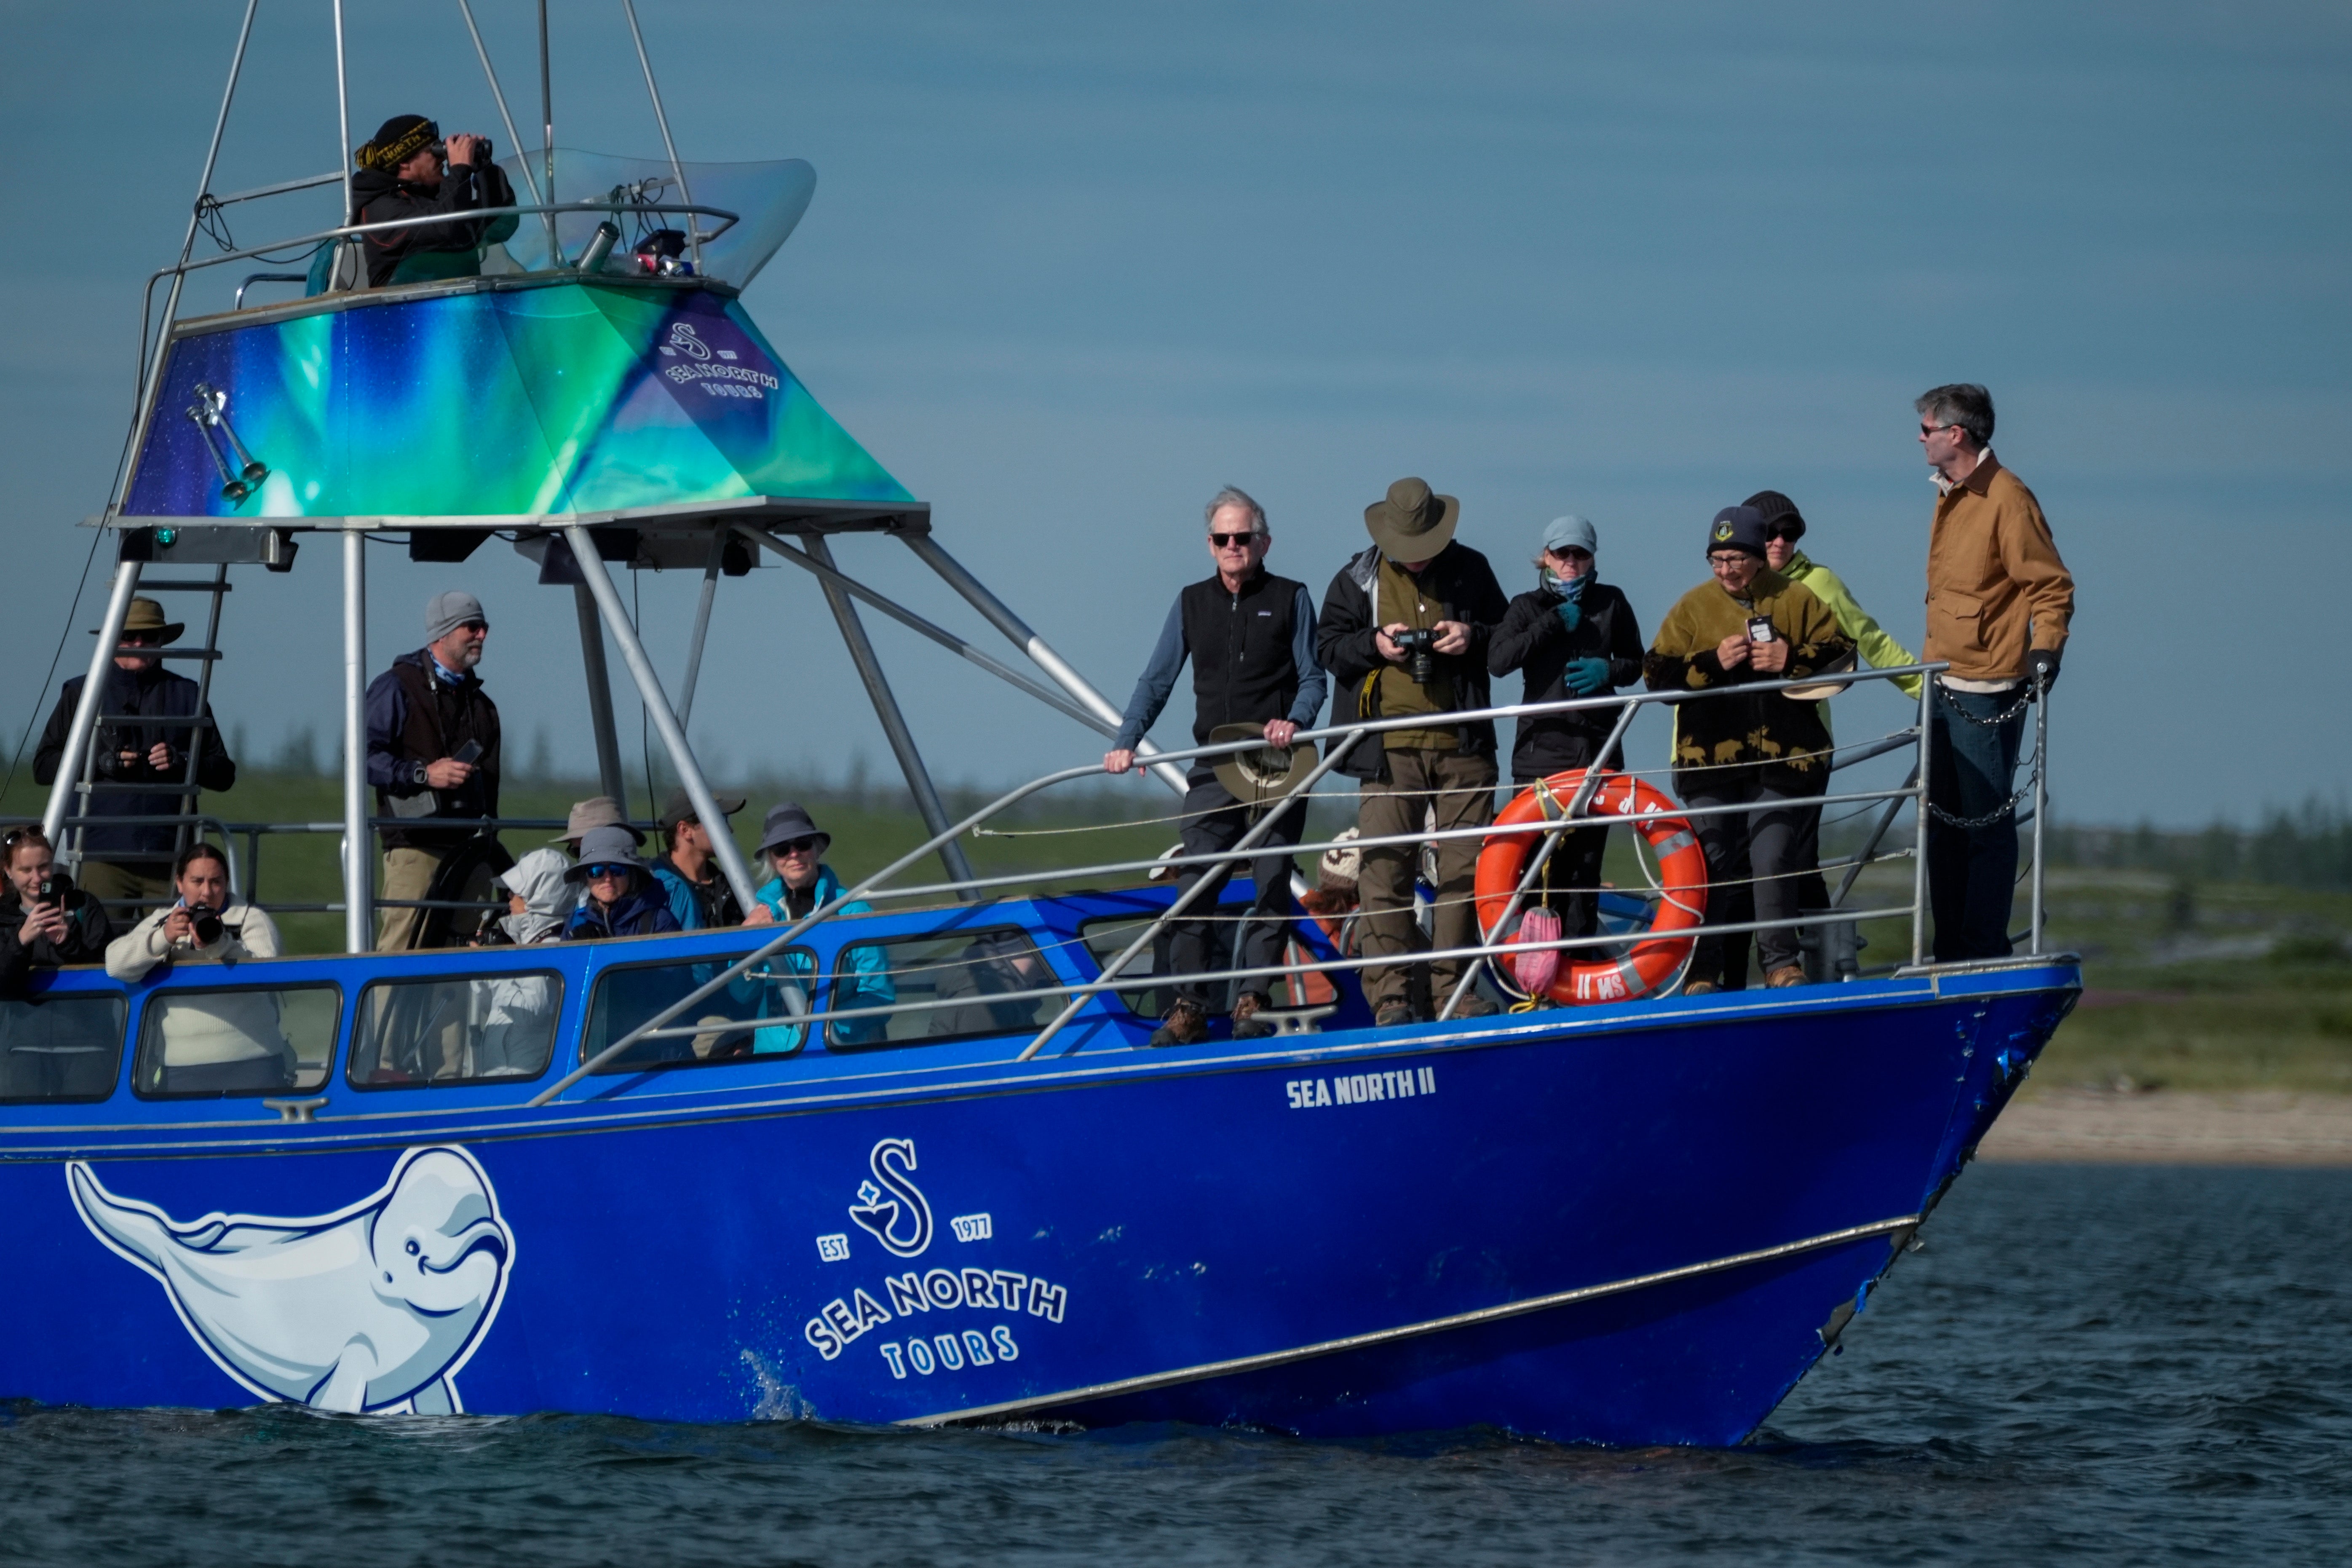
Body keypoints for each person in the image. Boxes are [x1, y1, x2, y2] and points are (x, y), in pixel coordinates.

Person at [1104, 486, 1330, 1046]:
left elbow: (1313, 677)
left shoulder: (1291, 596)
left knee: (1272, 879)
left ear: (1263, 542)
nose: (1234, 546)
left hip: (1276, 762)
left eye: (1243, 537)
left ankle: (1252, 1000)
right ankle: (1188, 1006)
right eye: (1223, 538)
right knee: (1196, 879)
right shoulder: (1190, 602)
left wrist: (1295, 720)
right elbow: (1157, 679)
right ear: (1209, 545)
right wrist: (1126, 739)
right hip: (1212, 762)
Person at [1316, 476, 1511, 1027]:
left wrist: (1470, 635)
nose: (1416, 558)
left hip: (1463, 743)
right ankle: (1391, 1000)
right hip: (1385, 747)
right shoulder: (1357, 574)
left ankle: (1457, 995)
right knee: (1382, 873)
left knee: (1465, 870)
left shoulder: (1472, 568)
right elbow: (1327, 645)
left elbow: (1505, 639)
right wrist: (1373, 644)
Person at [1644, 507, 1853, 993]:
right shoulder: (1692, 606)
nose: (1725, 570)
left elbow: (1845, 654)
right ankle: (1702, 971)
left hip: (1784, 760)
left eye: (1736, 558)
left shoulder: (1798, 599)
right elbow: (1655, 672)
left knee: (1774, 857)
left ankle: (1782, 965)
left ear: (1759, 557)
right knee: (1710, 859)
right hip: (1709, 763)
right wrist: (1709, 664)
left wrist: (1791, 658)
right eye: (1716, 560)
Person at [1916, 384, 2076, 962]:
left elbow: (2050, 583)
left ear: (1954, 434)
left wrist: (2045, 648)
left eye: (1926, 428)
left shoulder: (2006, 496)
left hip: (1985, 687)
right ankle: (1949, 949)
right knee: (1939, 824)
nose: (1919, 438)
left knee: (1984, 823)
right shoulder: (1950, 493)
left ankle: (1982, 948)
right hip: (1940, 678)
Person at [1745, 489, 1922, 979]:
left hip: (1804, 746)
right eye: (1769, 531)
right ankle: (1731, 985)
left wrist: (1929, 692)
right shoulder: (1732, 585)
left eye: (1791, 532)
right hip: (1739, 752)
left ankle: (1816, 969)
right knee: (1747, 859)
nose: (1780, 541)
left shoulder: (1820, 583)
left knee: (1795, 855)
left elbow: (1871, 641)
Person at [1485, 514, 1645, 940]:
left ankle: (1579, 968)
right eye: (1562, 553)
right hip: (1540, 756)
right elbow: (1498, 661)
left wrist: (1606, 670)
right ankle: (1536, 978)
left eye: (1580, 553)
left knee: (1584, 873)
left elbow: (1637, 664)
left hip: (1598, 751)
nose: (1571, 561)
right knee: (1538, 872)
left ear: (1593, 557)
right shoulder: (1525, 606)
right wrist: (1552, 623)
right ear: (1546, 557)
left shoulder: (1612, 601)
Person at [33, 597, 238, 920]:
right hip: (101, 855)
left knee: (173, 953)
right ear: (113, 639)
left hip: (170, 857)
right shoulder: (80, 692)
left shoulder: (188, 694)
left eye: (149, 636)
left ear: (162, 641)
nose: (138, 643)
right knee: (100, 949)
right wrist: (99, 762)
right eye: (128, 635)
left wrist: (183, 762)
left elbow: (224, 774)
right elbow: (43, 766)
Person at [367, 591, 502, 952]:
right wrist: (424, 775)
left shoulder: (483, 706)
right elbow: (364, 758)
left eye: (484, 627)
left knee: (458, 962)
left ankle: (450, 1014)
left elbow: (492, 789)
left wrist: (491, 851)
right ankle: (384, 1013)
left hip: (470, 852)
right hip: (415, 846)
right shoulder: (396, 686)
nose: (482, 636)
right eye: (472, 627)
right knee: (403, 952)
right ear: (442, 633)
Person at [105, 843, 289, 1094]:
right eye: (197, 881)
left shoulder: (252, 920)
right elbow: (115, 966)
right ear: (180, 883)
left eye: (216, 882)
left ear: (227, 883)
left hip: (255, 1061)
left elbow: (270, 979)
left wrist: (220, 944)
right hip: (184, 1066)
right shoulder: (164, 920)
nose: (207, 892)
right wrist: (163, 938)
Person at [750, 803, 894, 1047]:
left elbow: (879, 996)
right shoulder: (760, 916)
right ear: (772, 860)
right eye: (782, 849)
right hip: (771, 1058)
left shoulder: (853, 911)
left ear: (817, 850)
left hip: (834, 1054)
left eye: (803, 844)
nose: (794, 854)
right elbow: (741, 993)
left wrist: (823, 1031)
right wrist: (746, 938)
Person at [346, 115, 519, 289]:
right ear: (405, 162)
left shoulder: (438, 201)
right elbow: (445, 228)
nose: (443, 158)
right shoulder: (379, 211)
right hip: (405, 310)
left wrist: (485, 169)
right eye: (434, 150)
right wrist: (459, 169)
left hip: (462, 306)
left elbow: (502, 225)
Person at [0, 827, 115, 998]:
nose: (37, 878)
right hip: (22, 1021)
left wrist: (67, 943)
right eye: (26, 870)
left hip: (83, 1018)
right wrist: (21, 941)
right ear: (8, 871)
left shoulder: (83, 905)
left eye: (43, 867)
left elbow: (107, 972)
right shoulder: (3, 918)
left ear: (52, 863)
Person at [650, 789, 772, 930]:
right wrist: (746, 932)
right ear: (685, 830)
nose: (730, 830)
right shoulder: (655, 890)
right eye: (720, 820)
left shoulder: (730, 887)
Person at [560, 826, 682, 941]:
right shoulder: (575, 923)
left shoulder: (659, 921)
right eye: (596, 871)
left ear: (632, 874)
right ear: (586, 877)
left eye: (617, 870)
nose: (608, 878)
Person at [475, 847, 578, 947]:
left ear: (539, 897)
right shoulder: (552, 938)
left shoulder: (549, 945)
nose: (509, 894)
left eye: (516, 890)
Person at [550, 797, 641, 859]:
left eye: (591, 852)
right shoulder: (579, 884)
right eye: (577, 852)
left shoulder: (653, 881)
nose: (584, 860)